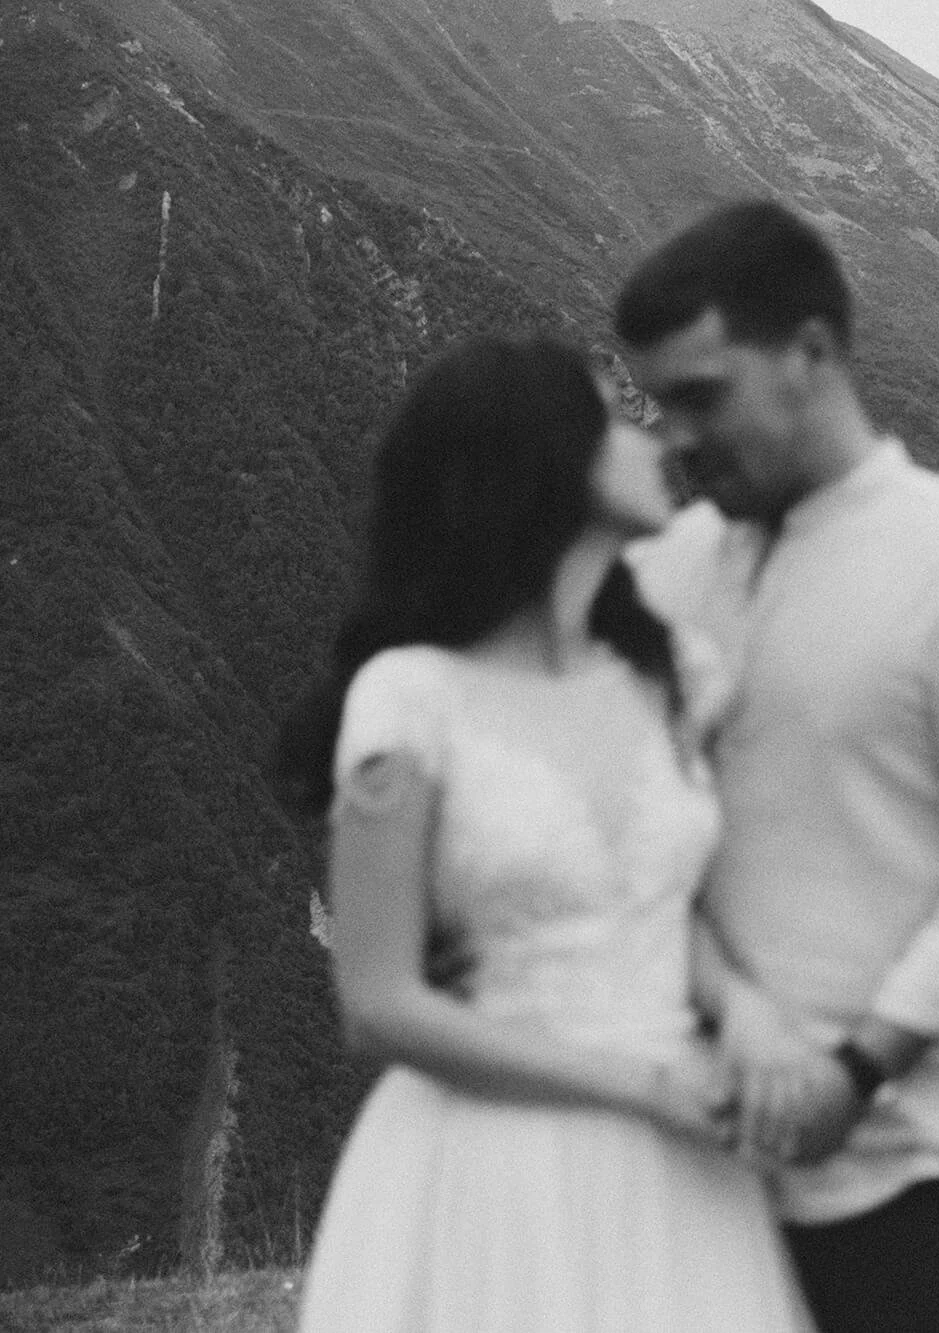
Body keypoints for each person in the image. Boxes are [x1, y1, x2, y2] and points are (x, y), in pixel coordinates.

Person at [619, 201, 939, 1333]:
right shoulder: (667, 572)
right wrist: (727, 1013)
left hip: (917, 1175)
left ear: (811, 354)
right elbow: (630, 830)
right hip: (692, 1154)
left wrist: (859, 1069)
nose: (669, 436)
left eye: (699, 395)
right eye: (650, 402)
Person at [271, 335, 808, 1331]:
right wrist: (639, 1087)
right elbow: (376, 1001)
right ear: (541, 462)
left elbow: (645, 902)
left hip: (679, 1159)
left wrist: (743, 1010)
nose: (656, 441)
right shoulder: (411, 698)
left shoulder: (667, 676)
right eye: (614, 419)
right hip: (494, 1166)